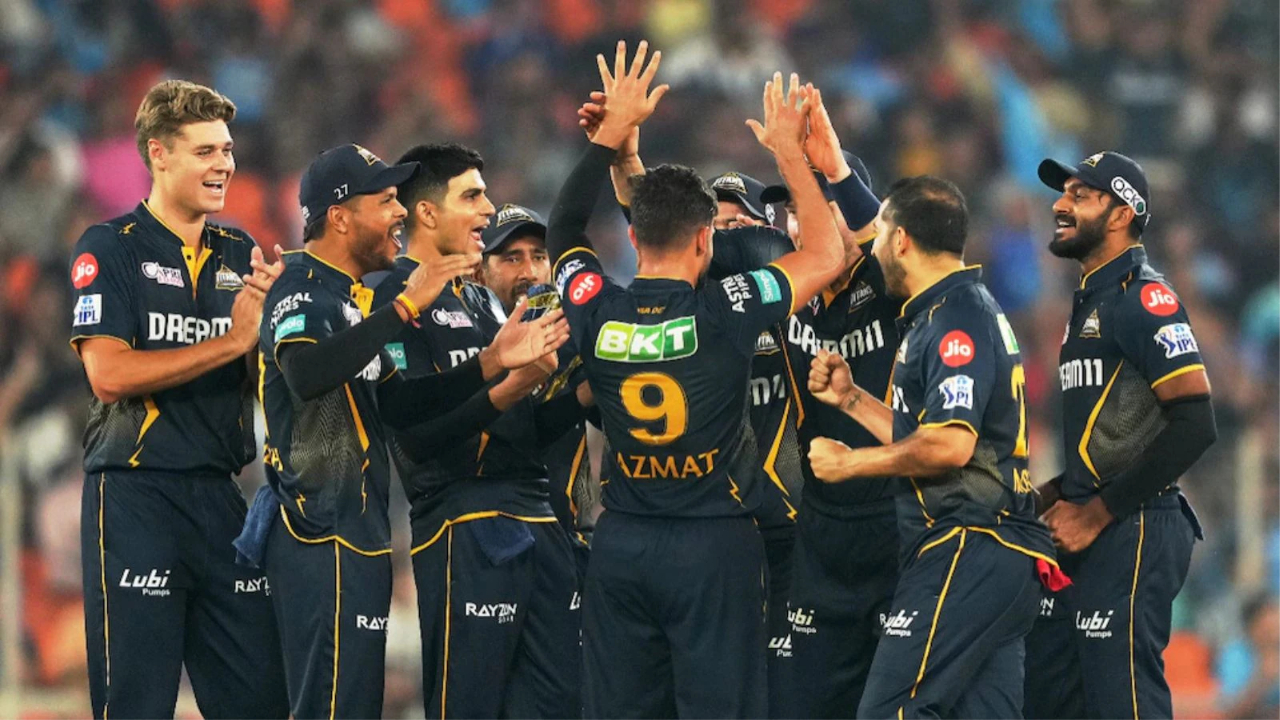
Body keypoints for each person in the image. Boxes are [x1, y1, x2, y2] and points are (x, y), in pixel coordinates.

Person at [551, 39, 845, 717]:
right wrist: (789, 155)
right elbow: (826, 253)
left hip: (621, 540)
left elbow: (563, 223)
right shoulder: (726, 310)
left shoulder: (595, 307)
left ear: (632, 239)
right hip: (712, 544)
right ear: (707, 240)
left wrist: (612, 140)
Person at [254, 143, 567, 718]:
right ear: (340, 216)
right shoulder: (302, 283)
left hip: (363, 530)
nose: (399, 211)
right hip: (314, 530)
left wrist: (493, 363)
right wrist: (402, 310)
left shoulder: (353, 301)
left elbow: (403, 404)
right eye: (385, 201)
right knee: (331, 707)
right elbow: (306, 374)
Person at [70, 79, 289, 719]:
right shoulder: (109, 246)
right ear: (159, 154)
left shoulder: (240, 251)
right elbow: (108, 374)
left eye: (227, 150)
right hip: (135, 496)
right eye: (205, 151)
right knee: (136, 704)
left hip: (221, 498)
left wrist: (276, 334)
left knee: (261, 702)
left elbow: (258, 372)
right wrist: (232, 340)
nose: (224, 164)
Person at [807, 175, 1063, 718]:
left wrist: (851, 463)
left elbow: (949, 445)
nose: (875, 249)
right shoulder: (954, 310)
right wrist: (852, 400)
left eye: (879, 235)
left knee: (888, 711)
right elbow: (925, 434)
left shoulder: (954, 322)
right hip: (999, 557)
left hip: (965, 546)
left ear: (900, 240)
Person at [374, 144, 588, 718]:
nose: (488, 209)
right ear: (426, 213)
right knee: (470, 704)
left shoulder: (482, 300)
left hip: (537, 517)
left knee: (559, 705)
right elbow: (414, 437)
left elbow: (524, 430)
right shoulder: (393, 297)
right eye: (472, 196)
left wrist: (580, 395)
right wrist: (509, 384)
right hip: (463, 520)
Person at [1024, 151, 1217, 719]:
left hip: (1134, 525)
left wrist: (1096, 512)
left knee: (1122, 704)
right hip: (1091, 524)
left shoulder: (1145, 300)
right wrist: (1057, 492)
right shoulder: (1091, 299)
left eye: (1081, 196)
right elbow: (1112, 439)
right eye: (1064, 193)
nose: (1060, 205)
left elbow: (1195, 423)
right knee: (1048, 697)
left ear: (1121, 214)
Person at [476, 202, 601, 545]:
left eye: (539, 257)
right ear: (479, 272)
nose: (529, 272)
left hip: (570, 535)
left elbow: (616, 419)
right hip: (493, 538)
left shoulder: (571, 334)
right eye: (512, 259)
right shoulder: (468, 343)